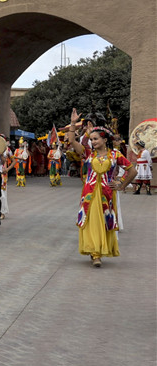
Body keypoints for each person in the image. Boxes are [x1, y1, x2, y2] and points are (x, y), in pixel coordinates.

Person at [65, 109, 135, 267]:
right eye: (92, 139)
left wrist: (121, 184)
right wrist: (73, 123)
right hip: (89, 194)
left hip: (106, 195)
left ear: (104, 139)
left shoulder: (115, 155)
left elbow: (132, 171)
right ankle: (95, 254)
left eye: (95, 139)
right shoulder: (88, 154)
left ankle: (99, 251)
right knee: (91, 222)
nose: (93, 142)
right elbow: (72, 141)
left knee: (103, 222)